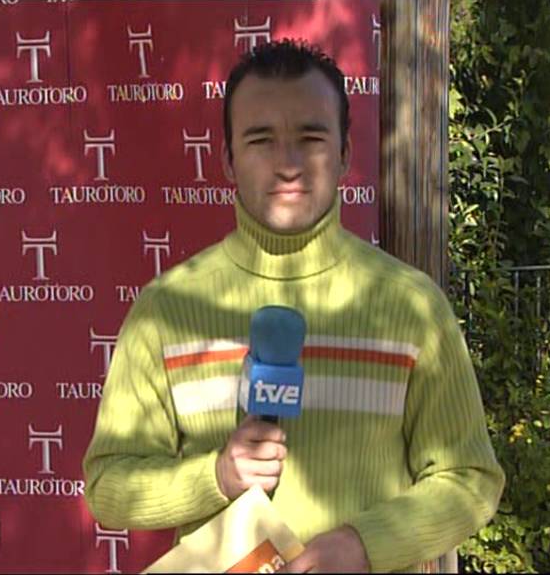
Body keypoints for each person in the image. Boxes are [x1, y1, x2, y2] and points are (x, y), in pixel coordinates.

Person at [83, 39, 505, 573]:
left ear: (345, 154)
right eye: (261, 140)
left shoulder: (413, 307)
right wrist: (215, 476)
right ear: (227, 159)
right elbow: (109, 485)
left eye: (311, 137)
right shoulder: (165, 311)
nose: (288, 164)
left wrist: (363, 544)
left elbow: (470, 480)